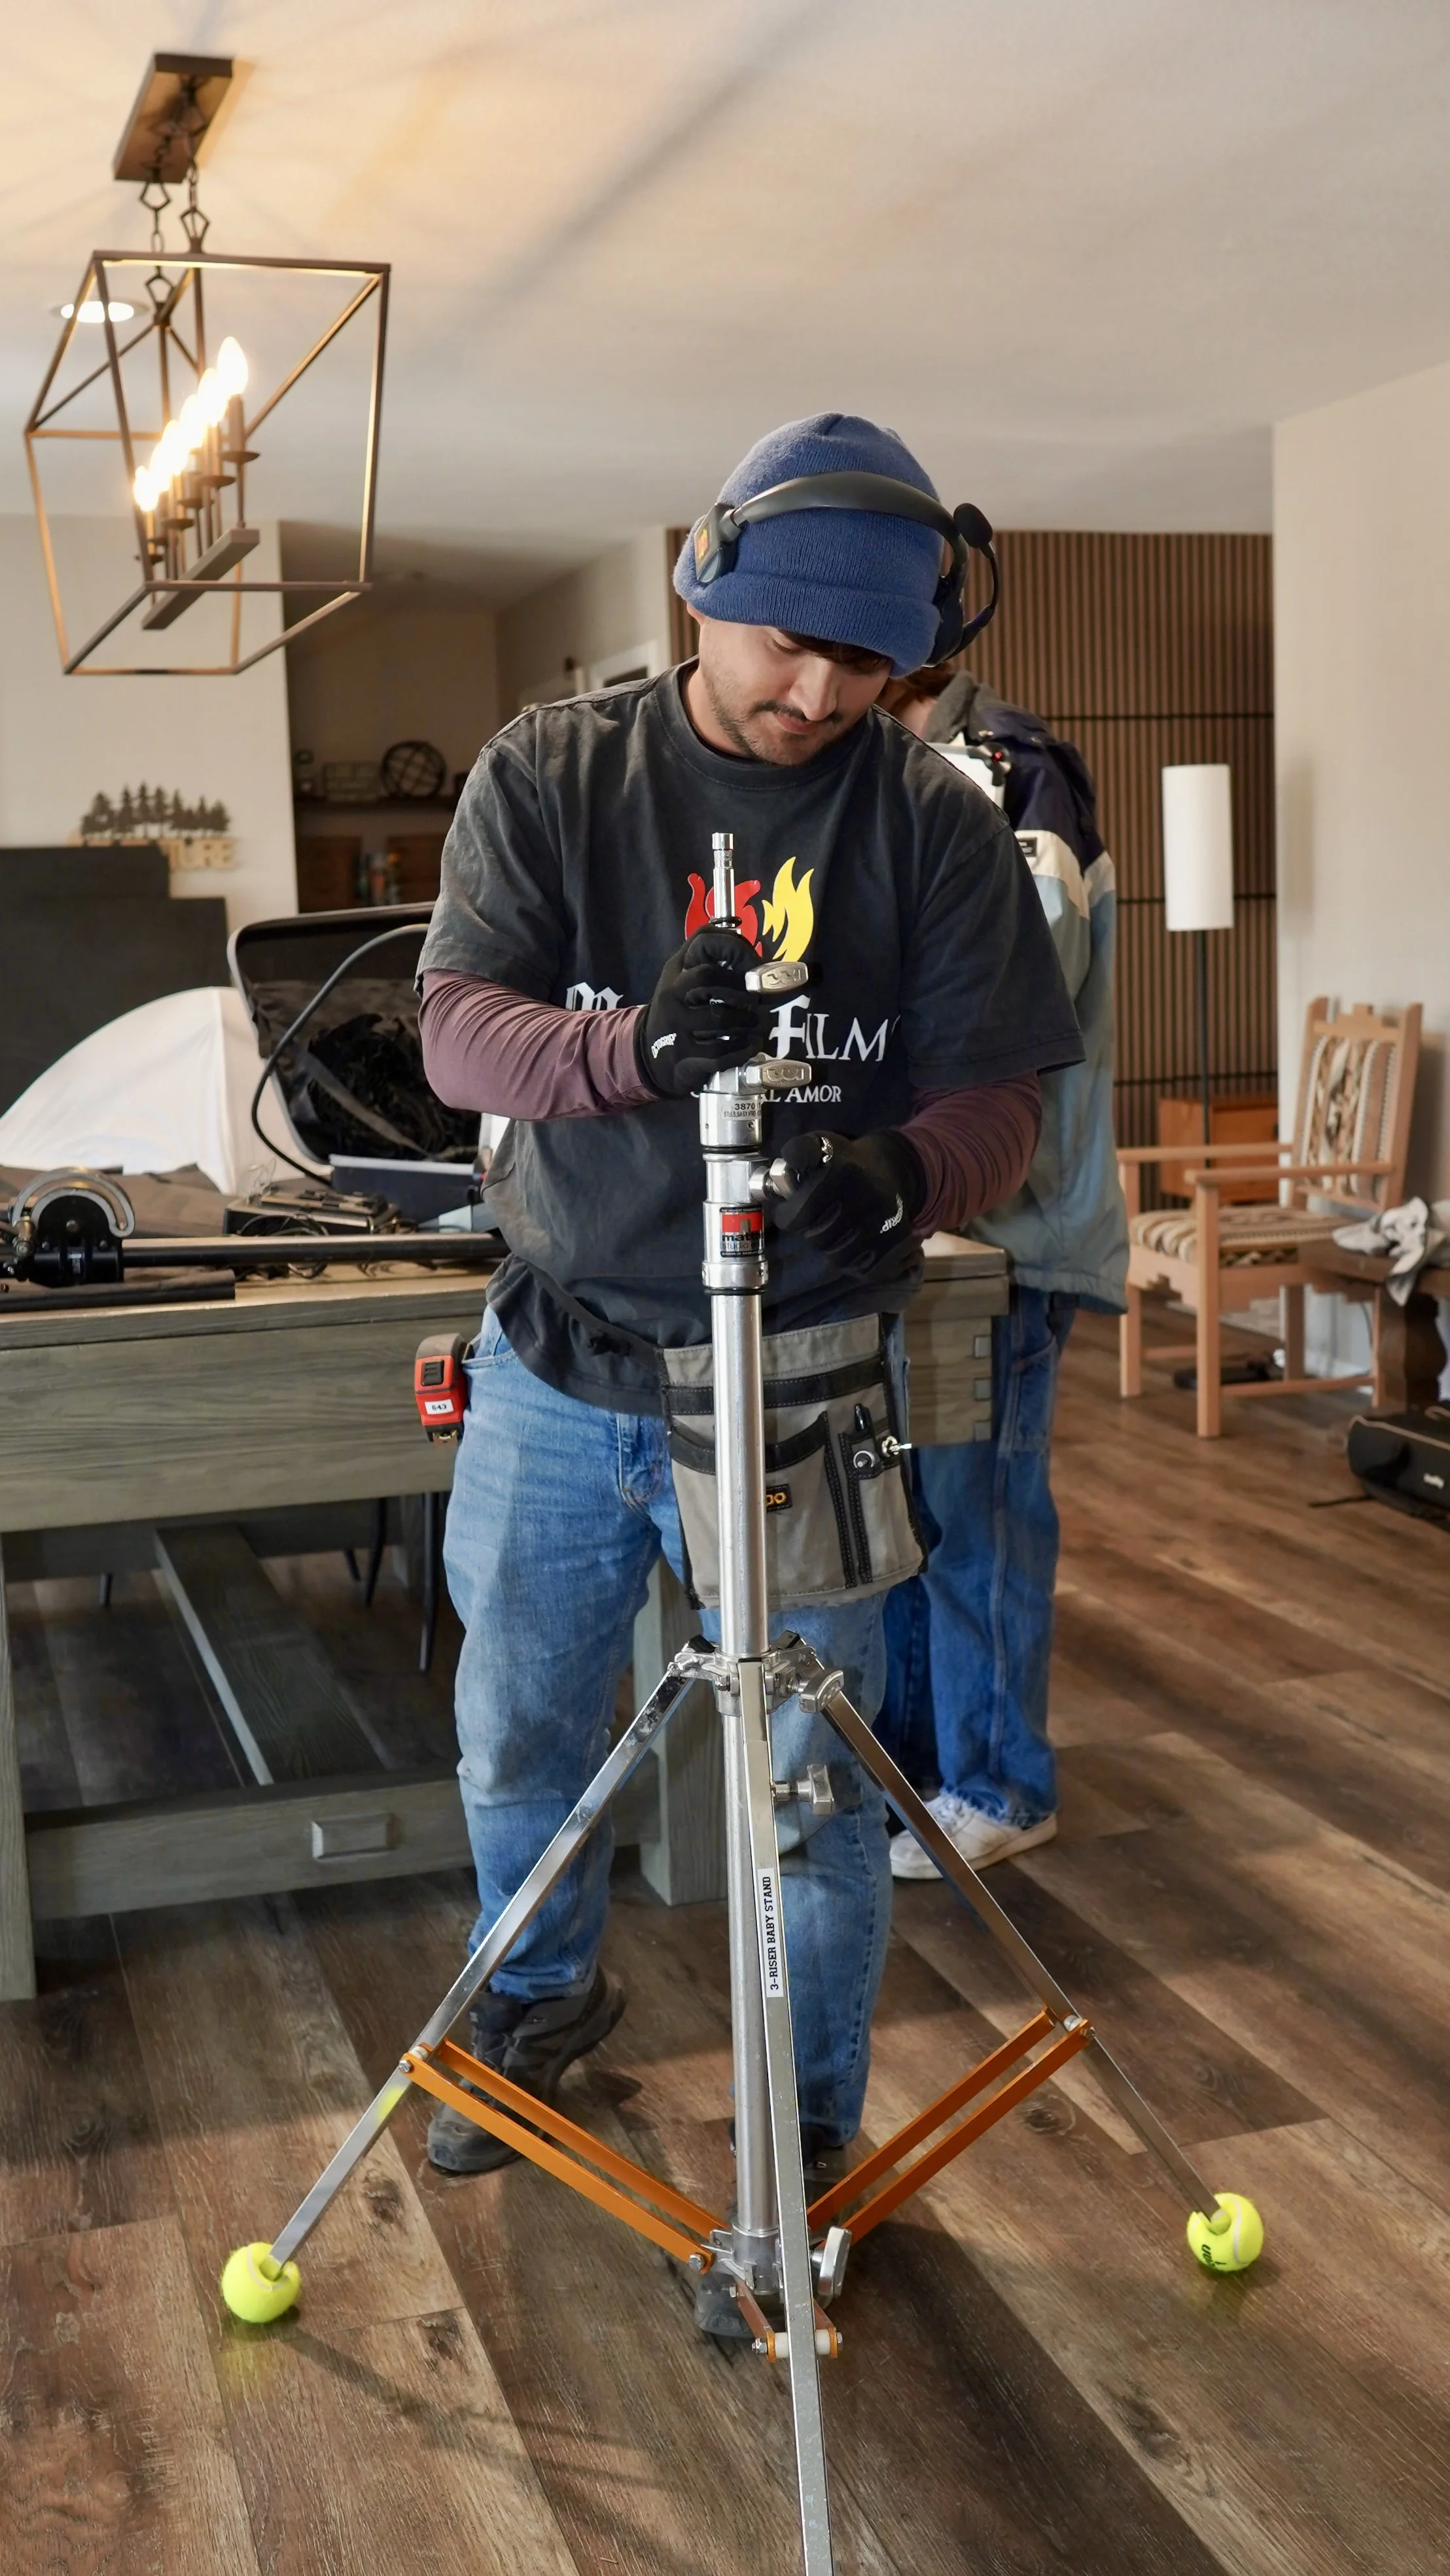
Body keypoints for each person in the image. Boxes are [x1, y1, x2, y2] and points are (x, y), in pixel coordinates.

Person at [414, 412, 1084, 2181]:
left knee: (809, 1780)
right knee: (520, 1733)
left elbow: (1000, 1095)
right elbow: (456, 1028)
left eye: (865, 661)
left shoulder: (932, 825)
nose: (814, 691)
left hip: (802, 1369)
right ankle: (541, 2010)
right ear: (702, 589)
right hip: (563, 1357)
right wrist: (630, 1046)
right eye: (786, 642)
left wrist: (901, 1173)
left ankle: (803, 2143)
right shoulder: (554, 773)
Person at [878, 664, 1129, 1876]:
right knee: (920, 1521)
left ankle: (1006, 1785)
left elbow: (1019, 991)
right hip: (936, 1232)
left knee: (983, 1521)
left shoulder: (1014, 778)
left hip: (1017, 1233)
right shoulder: (905, 774)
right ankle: (930, 1771)